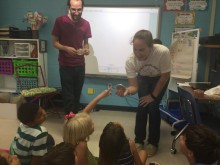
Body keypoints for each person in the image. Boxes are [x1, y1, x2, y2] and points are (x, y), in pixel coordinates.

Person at [116, 30, 171, 157]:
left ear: (151, 47)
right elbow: (134, 86)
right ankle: (139, 140)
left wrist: (152, 96)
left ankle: (153, 143)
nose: (138, 54)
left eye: (142, 50)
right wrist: (127, 91)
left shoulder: (162, 52)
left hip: (160, 79)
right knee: (142, 106)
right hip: (144, 78)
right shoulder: (130, 61)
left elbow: (165, 77)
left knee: (153, 107)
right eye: (135, 49)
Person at [52, 0, 92, 115]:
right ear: (68, 7)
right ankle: (69, 124)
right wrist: (66, 48)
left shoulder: (86, 24)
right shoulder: (60, 21)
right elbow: (54, 43)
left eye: (79, 9)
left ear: (82, 8)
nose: (76, 12)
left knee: (76, 96)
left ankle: (74, 123)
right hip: (65, 65)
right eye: (73, 9)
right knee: (68, 97)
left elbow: (85, 42)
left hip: (80, 65)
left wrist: (86, 49)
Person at [63, 89, 111, 165]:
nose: (93, 124)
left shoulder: (72, 139)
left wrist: (101, 96)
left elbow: (86, 111)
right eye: (91, 124)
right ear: (83, 131)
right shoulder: (81, 145)